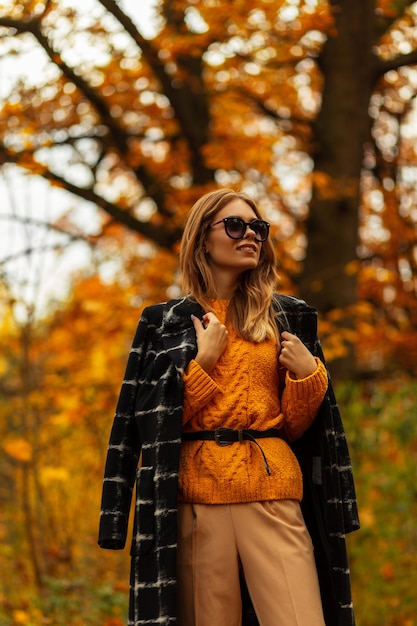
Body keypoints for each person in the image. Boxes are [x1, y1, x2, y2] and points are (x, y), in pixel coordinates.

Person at [98, 189, 360, 626]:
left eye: (258, 227)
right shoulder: (163, 321)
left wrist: (307, 377)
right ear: (203, 239)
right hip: (196, 499)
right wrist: (202, 364)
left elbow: (299, 429)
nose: (250, 236)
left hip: (273, 492)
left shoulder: (287, 317)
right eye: (236, 226)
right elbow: (144, 425)